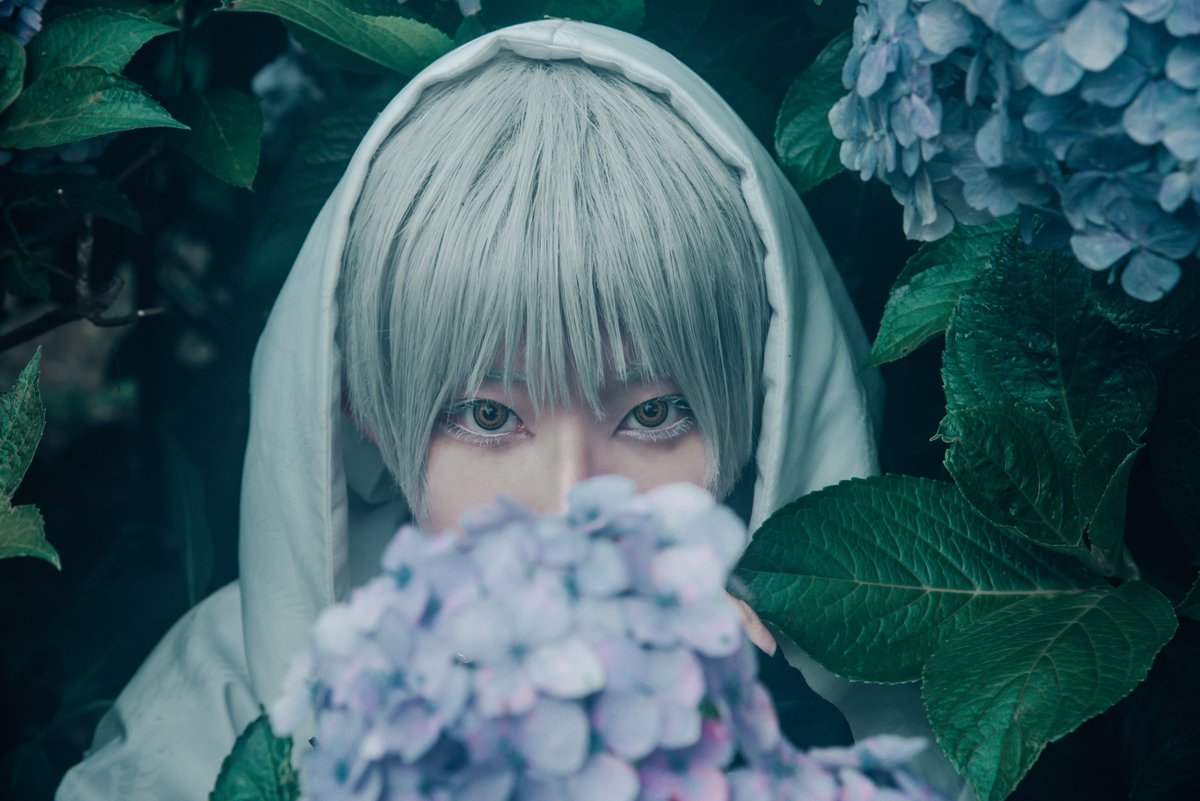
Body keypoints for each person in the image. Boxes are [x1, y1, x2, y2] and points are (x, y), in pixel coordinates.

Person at [56, 19, 949, 801]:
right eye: (487, 416)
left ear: (760, 407)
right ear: (367, 412)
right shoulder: (210, 710)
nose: (569, 507)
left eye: (654, 414)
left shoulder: (899, 711)